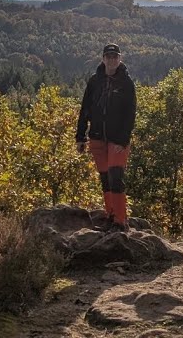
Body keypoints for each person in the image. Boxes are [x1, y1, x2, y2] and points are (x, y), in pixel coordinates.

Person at [75, 43, 137, 231]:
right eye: (108, 56)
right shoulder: (95, 81)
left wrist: (124, 140)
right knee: (105, 178)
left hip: (118, 140)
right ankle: (110, 216)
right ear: (103, 59)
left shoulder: (126, 83)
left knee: (116, 177)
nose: (111, 60)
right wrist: (80, 136)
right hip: (96, 137)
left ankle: (120, 221)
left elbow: (131, 113)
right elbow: (85, 108)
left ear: (120, 58)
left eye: (115, 56)